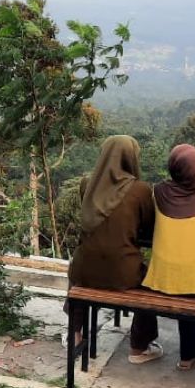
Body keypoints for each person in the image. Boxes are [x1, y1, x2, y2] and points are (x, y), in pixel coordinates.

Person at [67, 135, 162, 363]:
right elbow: (149, 228)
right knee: (150, 282)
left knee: (78, 273)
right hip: (123, 272)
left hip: (84, 270)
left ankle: (75, 333)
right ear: (131, 158)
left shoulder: (86, 184)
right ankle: (139, 347)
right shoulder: (140, 190)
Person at [142, 144, 195, 370]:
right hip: (194, 277)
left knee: (144, 294)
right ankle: (188, 357)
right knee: (190, 302)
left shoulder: (158, 191)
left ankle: (141, 344)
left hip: (161, 275)